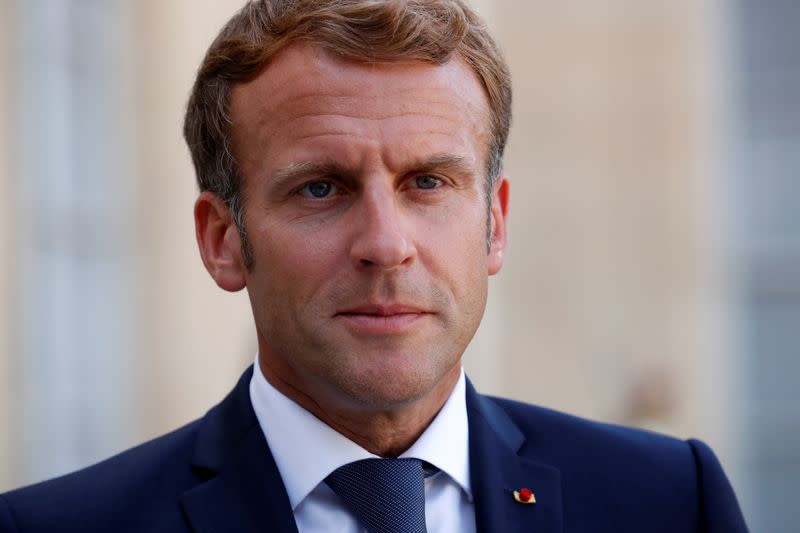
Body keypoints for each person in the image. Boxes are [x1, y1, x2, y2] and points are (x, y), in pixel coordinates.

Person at [0, 1, 748, 532]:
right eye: (321, 187)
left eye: (428, 181)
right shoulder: (56, 525)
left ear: (494, 224)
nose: (386, 243)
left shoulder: (669, 501)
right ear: (223, 238)